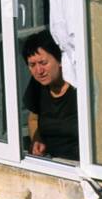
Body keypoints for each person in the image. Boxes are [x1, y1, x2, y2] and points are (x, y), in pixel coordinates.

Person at [21, 30, 79, 161]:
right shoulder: (38, 85)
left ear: (60, 61)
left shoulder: (78, 86)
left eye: (43, 63)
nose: (39, 71)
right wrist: (37, 141)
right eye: (32, 65)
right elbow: (33, 119)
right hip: (50, 164)